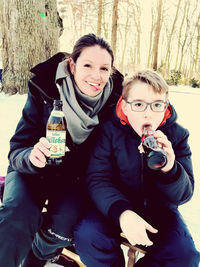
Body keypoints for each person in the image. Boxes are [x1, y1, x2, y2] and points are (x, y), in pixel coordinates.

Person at [0, 33, 123, 267]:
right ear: (72, 65)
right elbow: (17, 147)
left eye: (104, 69)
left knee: (63, 226)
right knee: (17, 216)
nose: (96, 76)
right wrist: (31, 156)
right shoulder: (44, 88)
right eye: (88, 65)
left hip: (75, 179)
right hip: (32, 169)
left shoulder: (116, 103)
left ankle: (34, 257)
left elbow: (152, 104)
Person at [74, 70, 200, 267]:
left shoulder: (177, 135)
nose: (148, 113)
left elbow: (184, 195)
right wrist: (122, 212)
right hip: (115, 203)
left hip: (159, 210)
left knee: (184, 256)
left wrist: (170, 168)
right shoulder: (109, 130)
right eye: (139, 104)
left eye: (157, 105)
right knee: (88, 236)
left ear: (165, 107)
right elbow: (98, 179)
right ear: (125, 105)